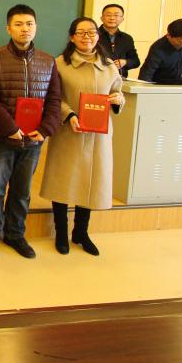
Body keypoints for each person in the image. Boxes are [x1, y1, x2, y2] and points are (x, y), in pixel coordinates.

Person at [0, 3, 61, 260]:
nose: (24, 29)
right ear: (8, 28)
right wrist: (11, 128)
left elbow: (54, 100)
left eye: (29, 24)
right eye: (18, 24)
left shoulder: (48, 61)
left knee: (22, 191)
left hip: (33, 141)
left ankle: (15, 234)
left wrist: (45, 130)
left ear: (36, 27)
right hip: (1, 139)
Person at [40, 17, 125, 256]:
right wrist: (69, 115)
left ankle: (81, 232)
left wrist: (118, 99)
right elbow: (54, 97)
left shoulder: (108, 65)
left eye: (92, 32)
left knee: (90, 181)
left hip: (98, 136)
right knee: (63, 181)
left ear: (98, 36)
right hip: (69, 131)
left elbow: (117, 91)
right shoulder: (60, 64)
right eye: (81, 32)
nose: (87, 37)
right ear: (72, 37)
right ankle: (61, 233)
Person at [97, 4, 140, 78]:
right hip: (98, 77)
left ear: (122, 19)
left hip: (119, 79)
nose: (112, 18)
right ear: (102, 18)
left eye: (116, 15)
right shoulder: (93, 35)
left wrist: (125, 62)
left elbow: (135, 61)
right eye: (108, 15)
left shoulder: (127, 38)